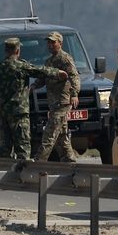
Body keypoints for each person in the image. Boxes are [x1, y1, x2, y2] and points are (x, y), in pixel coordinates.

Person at [0, 38, 66, 160]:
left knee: (4, 150)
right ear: (17, 51)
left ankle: (4, 176)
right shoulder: (21, 66)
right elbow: (40, 70)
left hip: (3, 114)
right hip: (19, 114)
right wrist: (58, 73)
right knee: (23, 148)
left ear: (6, 51)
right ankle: (22, 175)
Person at [32, 32, 81, 162]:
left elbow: (74, 76)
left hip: (62, 102)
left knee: (50, 132)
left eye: (53, 42)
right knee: (62, 134)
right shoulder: (49, 61)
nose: (50, 45)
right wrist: (32, 87)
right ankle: (69, 160)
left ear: (60, 43)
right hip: (53, 103)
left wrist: (74, 94)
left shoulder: (64, 59)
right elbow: (43, 78)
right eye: (48, 42)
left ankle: (39, 162)